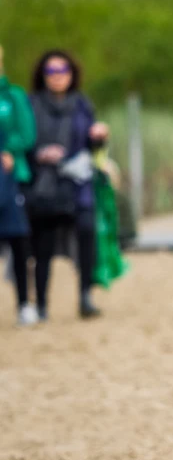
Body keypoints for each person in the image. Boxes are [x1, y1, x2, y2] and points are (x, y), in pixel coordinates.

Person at [25, 50, 109, 321]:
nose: (57, 76)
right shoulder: (32, 104)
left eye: (63, 70)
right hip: (44, 183)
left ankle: (85, 296)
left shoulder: (82, 104)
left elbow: (93, 148)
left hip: (78, 181)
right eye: (51, 71)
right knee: (43, 246)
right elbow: (22, 141)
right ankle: (41, 305)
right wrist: (39, 154)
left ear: (72, 74)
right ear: (43, 75)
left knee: (87, 232)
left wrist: (98, 138)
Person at [0, 44, 37, 325]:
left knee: (19, 242)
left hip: (12, 180)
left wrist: (8, 150)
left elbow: (26, 134)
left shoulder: (13, 96)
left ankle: (25, 303)